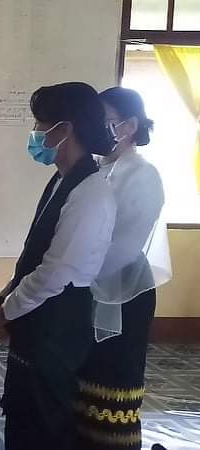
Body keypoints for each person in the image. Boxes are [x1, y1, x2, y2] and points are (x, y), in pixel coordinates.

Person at [0, 82, 117, 450]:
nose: (36, 133)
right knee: (24, 413)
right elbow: (34, 253)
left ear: (65, 129)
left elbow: (57, 271)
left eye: (41, 124)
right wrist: (5, 295)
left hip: (58, 321)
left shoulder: (91, 192)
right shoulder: (62, 180)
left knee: (45, 421)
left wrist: (6, 310)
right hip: (38, 317)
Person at [75, 87, 171, 450]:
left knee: (113, 383)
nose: (95, 128)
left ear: (129, 126)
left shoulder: (143, 175)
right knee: (83, 381)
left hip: (125, 291)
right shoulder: (99, 168)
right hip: (87, 286)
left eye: (104, 121)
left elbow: (124, 246)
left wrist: (74, 275)